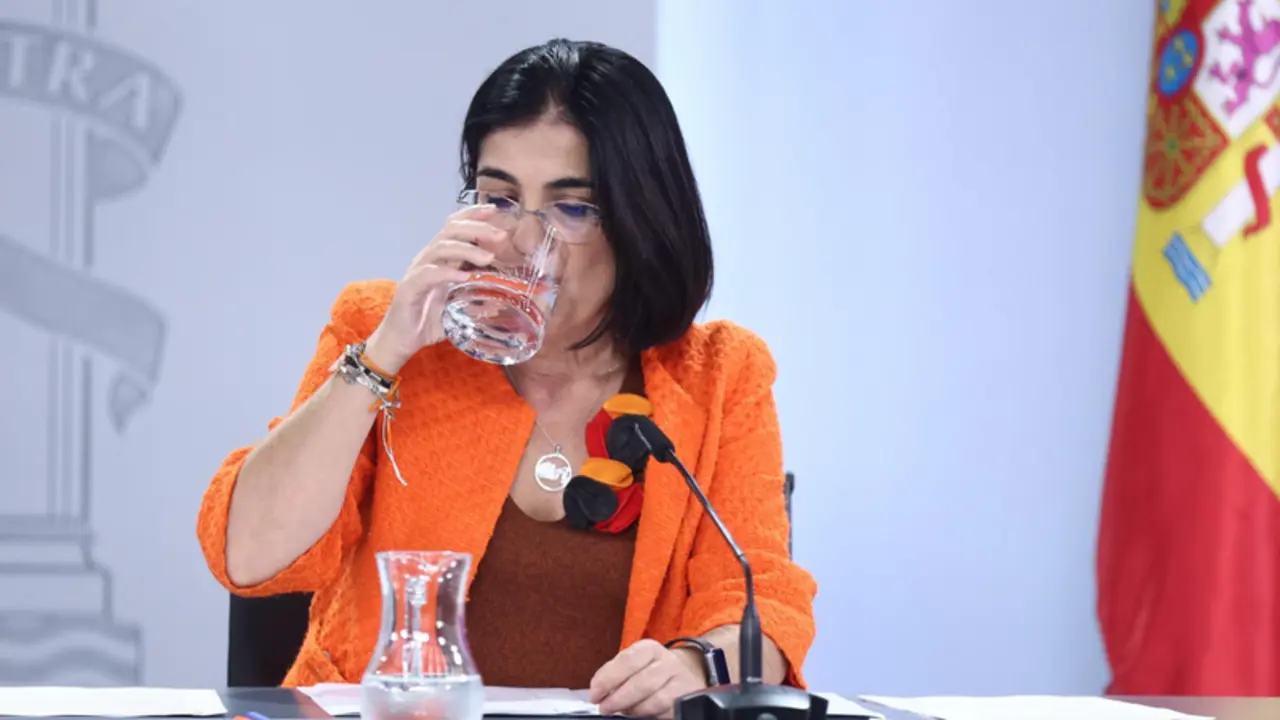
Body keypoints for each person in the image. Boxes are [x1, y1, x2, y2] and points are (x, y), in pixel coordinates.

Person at [196, 38, 816, 718]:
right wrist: (384, 352)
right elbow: (248, 556)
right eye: (499, 197)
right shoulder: (384, 337)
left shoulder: (719, 376)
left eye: (571, 208)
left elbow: (767, 607)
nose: (523, 239)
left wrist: (698, 663)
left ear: (643, 220)